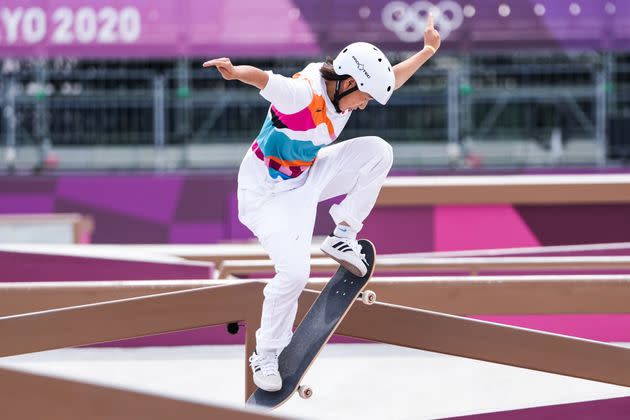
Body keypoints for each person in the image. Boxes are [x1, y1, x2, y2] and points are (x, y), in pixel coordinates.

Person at [203, 15, 441, 392]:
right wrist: (235, 72)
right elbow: (266, 80)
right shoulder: (303, 94)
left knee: (379, 152)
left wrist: (427, 51)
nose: (362, 107)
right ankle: (265, 352)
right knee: (295, 273)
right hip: (267, 195)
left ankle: (343, 233)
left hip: (308, 174)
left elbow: (391, 78)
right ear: (347, 83)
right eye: (362, 97)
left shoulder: (345, 90)